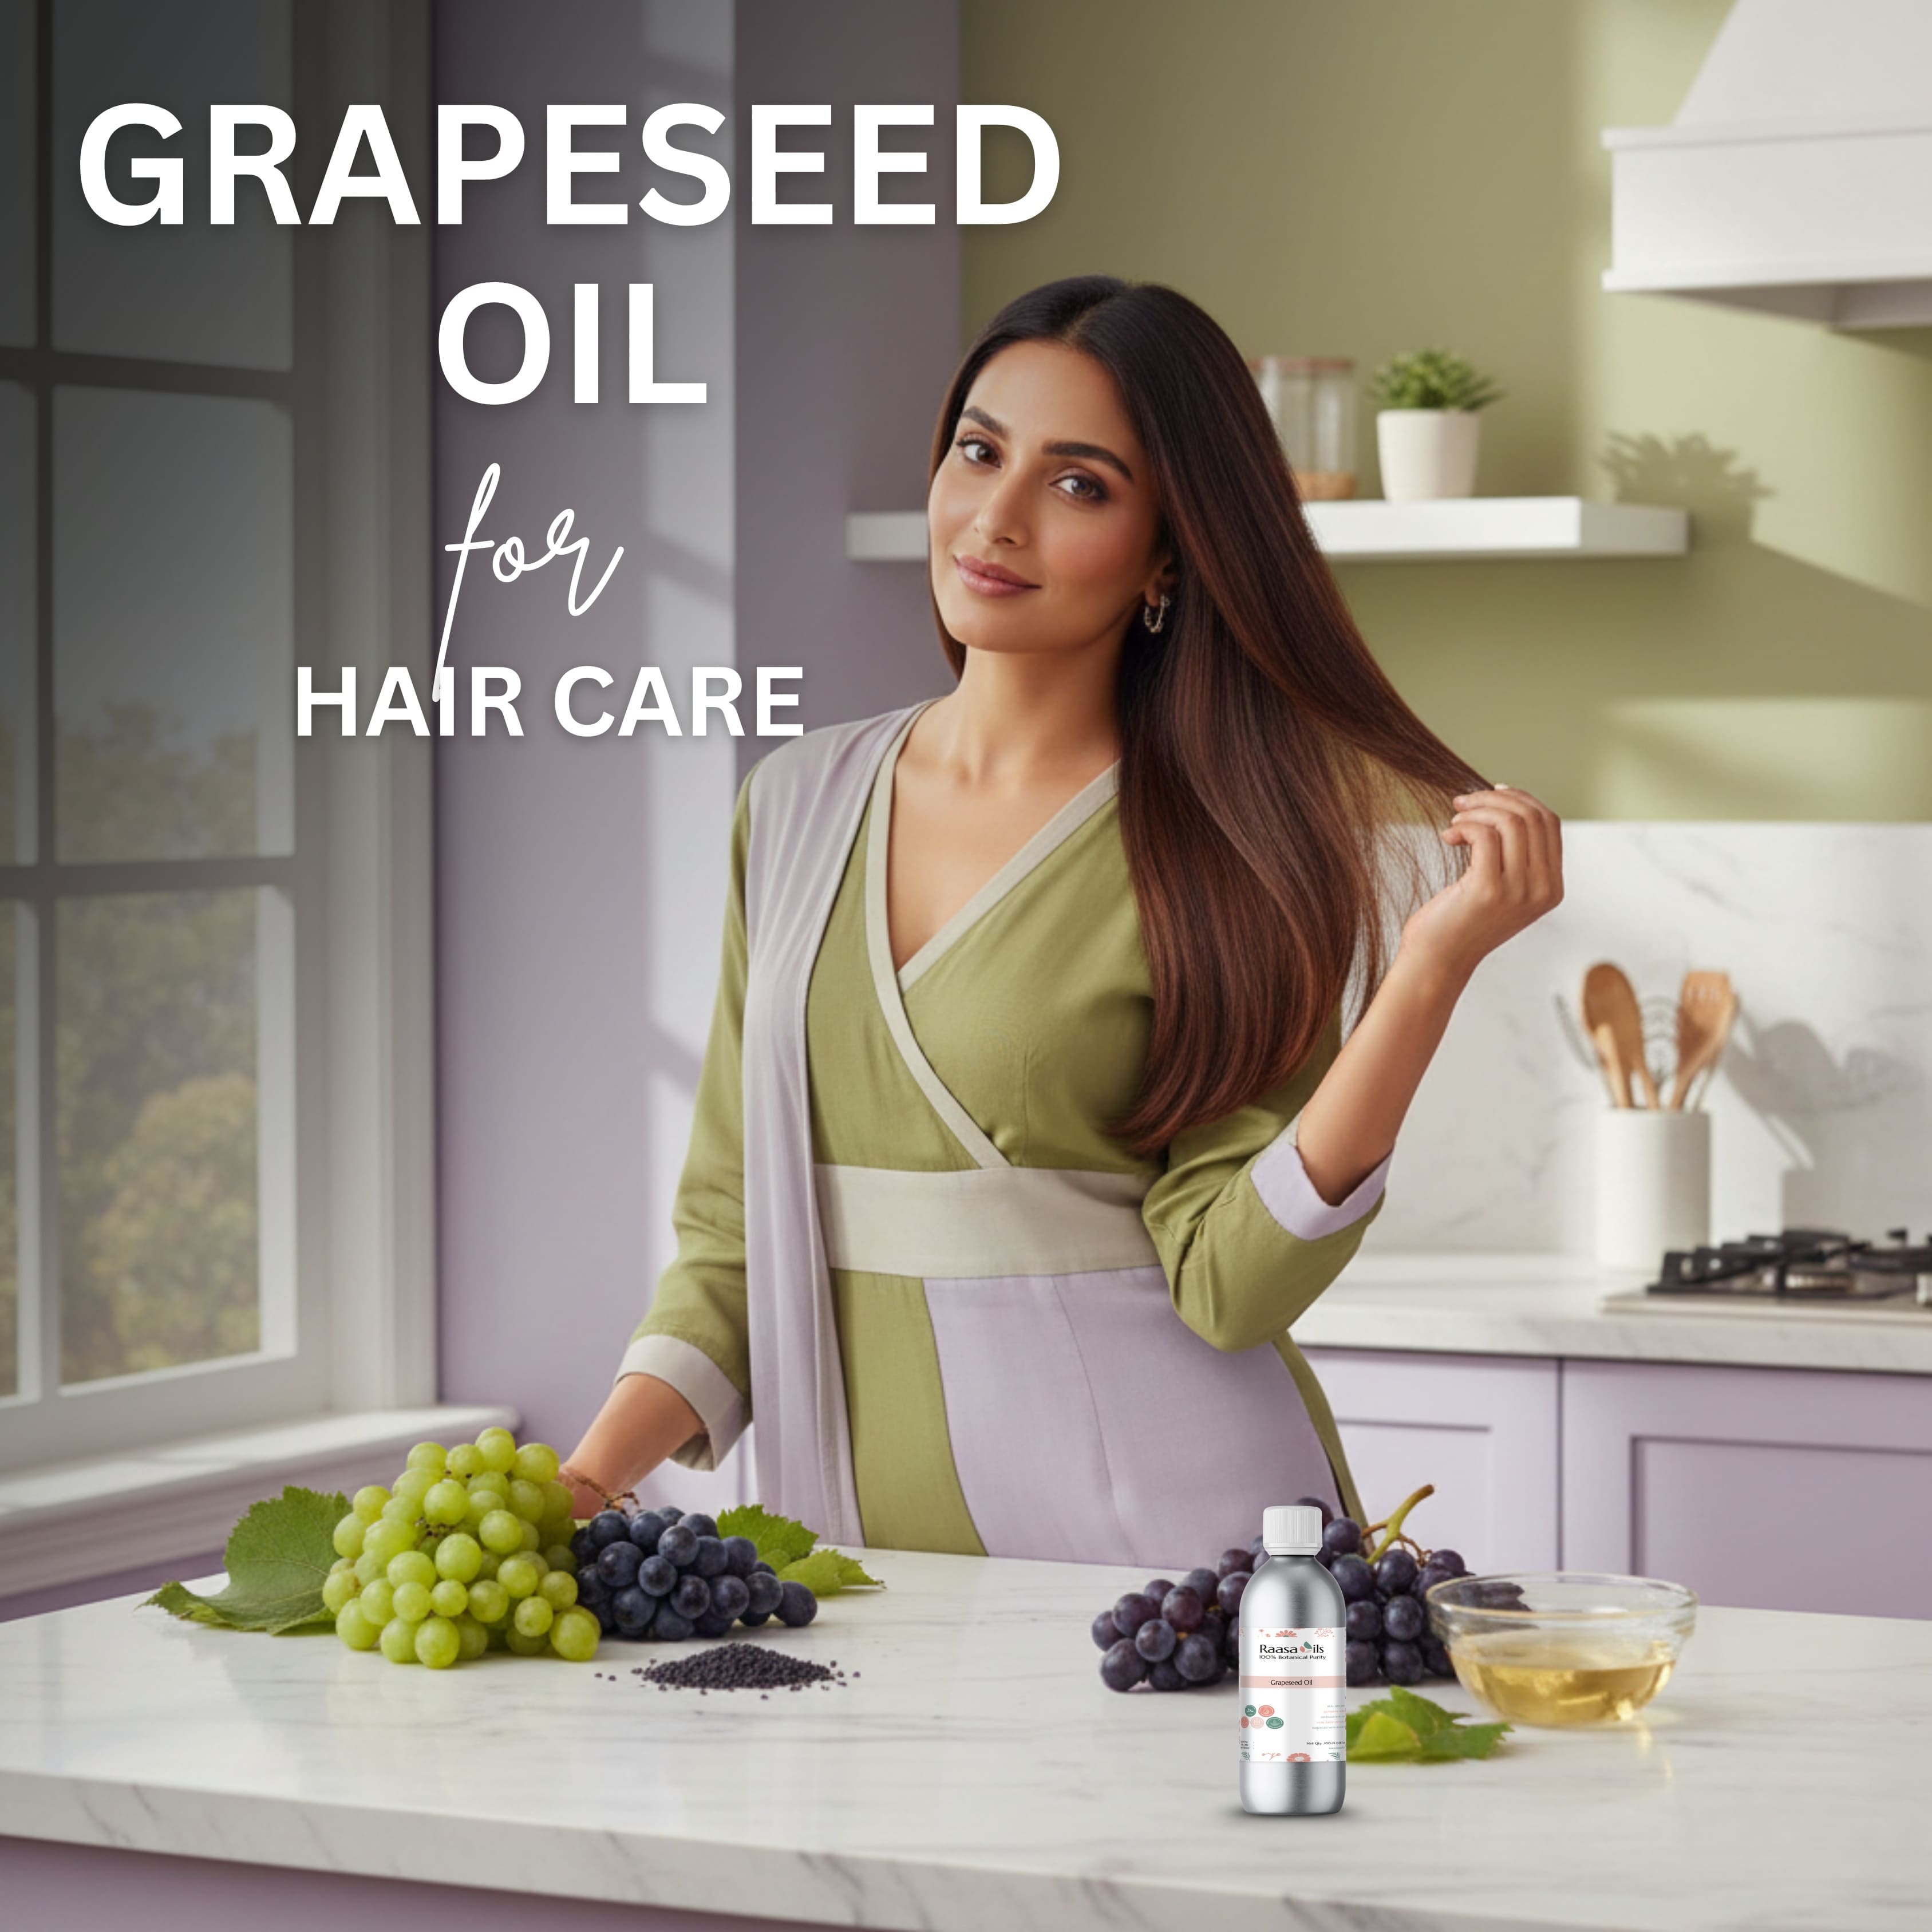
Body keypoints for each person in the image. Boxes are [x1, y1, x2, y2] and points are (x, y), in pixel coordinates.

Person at [560, 275, 1562, 1564]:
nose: (997, 516)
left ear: (1167, 555)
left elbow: (1231, 1284)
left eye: (1078, 484)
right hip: (865, 1561)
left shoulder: (1228, 849)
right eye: (979, 452)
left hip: (1162, 1550)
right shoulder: (796, 804)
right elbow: (731, 1238)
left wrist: (1425, 974)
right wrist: (583, 1481)